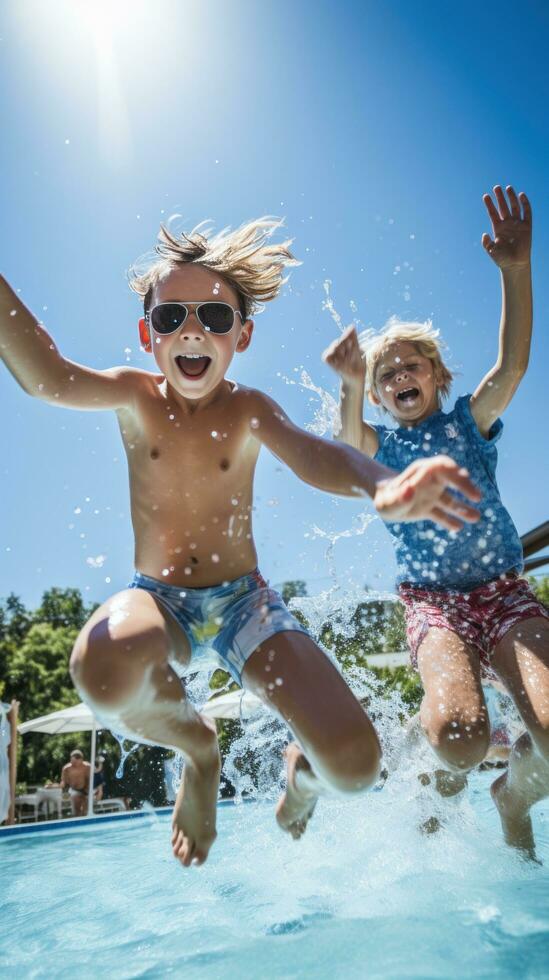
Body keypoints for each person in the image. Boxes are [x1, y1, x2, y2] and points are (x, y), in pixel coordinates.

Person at [1, 217, 480, 868]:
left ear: (241, 336)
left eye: (213, 317)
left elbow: (316, 455)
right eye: (171, 316)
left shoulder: (248, 408)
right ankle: (200, 749)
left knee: (354, 767)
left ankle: (302, 773)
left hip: (243, 606)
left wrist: (382, 484)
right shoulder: (134, 396)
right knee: (102, 668)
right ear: (148, 336)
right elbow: (46, 376)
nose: (191, 329)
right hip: (160, 603)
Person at [324, 186, 549, 859]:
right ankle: (434, 782)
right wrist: (345, 382)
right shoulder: (381, 451)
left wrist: (514, 270)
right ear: (378, 393)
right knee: (458, 735)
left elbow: (510, 366)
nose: (397, 377)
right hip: (435, 607)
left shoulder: (466, 425)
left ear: (436, 375)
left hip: (504, 593)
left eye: (410, 367)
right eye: (383, 374)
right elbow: (343, 445)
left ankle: (512, 794)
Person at [60, 749, 91, 817]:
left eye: (75, 761)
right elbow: (63, 782)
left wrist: (87, 790)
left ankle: (85, 817)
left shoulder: (87, 767)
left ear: (81, 759)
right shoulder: (66, 768)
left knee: (86, 806)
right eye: (72, 761)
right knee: (76, 800)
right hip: (74, 790)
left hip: (86, 789)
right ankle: (77, 817)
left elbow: (91, 779)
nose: (73, 763)